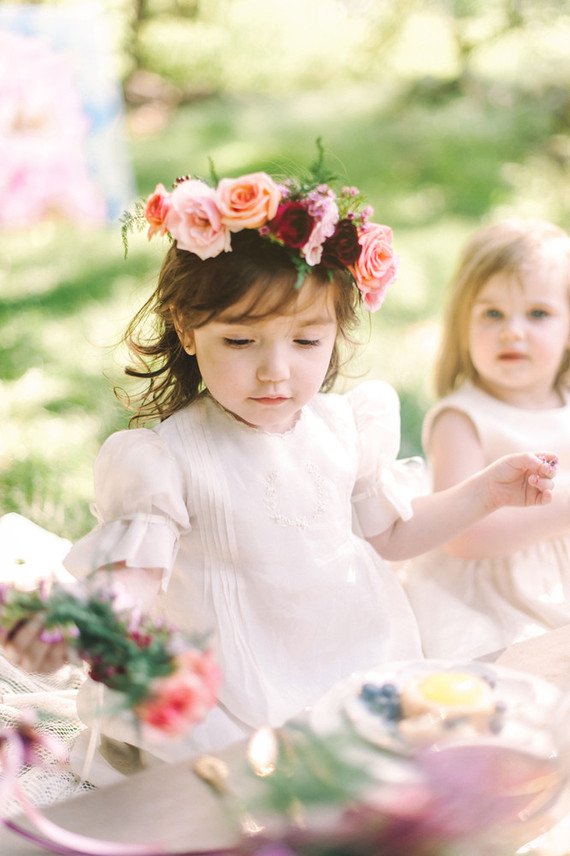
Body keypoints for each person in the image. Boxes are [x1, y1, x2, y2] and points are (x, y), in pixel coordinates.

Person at [3, 160, 558, 777]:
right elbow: (132, 579)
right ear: (188, 331)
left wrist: (486, 492)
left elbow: (393, 536)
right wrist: (84, 621)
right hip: (235, 686)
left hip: (353, 655)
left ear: (336, 332)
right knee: (239, 788)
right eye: (241, 342)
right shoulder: (167, 459)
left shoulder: (343, 425)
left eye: (305, 342)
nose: (275, 371)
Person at [401, 218, 570, 660]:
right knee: (525, 673)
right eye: (492, 313)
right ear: (464, 325)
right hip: (494, 596)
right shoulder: (464, 419)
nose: (512, 331)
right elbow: (465, 538)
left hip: (560, 575)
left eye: (538, 313)